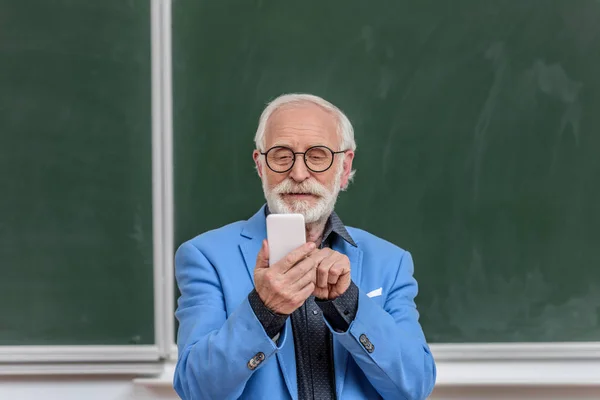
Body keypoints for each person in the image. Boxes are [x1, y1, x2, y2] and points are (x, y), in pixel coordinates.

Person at [173, 93, 436, 400]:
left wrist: (350, 305)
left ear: (344, 165)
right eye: (282, 156)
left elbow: (415, 386)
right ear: (260, 166)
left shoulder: (391, 262)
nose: (298, 174)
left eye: (318, 155)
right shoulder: (205, 257)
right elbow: (197, 390)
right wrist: (264, 310)